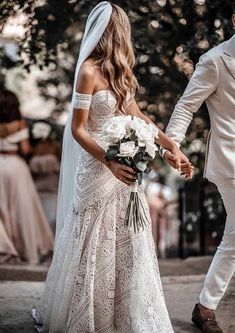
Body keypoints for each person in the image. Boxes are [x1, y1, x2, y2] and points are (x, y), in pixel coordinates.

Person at [32, 2, 193, 332]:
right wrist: (109, 161)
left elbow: (139, 118)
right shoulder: (88, 71)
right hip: (96, 170)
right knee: (92, 243)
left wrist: (170, 147)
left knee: (127, 241)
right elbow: (78, 129)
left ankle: (125, 316)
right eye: (121, 30)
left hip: (125, 174)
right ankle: (89, 319)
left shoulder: (122, 74)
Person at [161, 5, 235, 333]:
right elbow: (187, 104)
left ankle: (204, 306)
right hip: (232, 160)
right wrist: (171, 144)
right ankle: (205, 308)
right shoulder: (216, 60)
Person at [0, 90, 54, 264]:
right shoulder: (19, 124)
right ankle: (23, 248)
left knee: (2, 208)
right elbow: (25, 151)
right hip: (15, 167)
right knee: (20, 207)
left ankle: (5, 246)